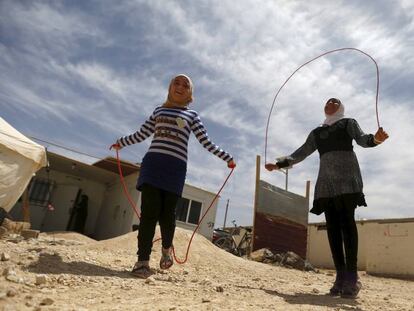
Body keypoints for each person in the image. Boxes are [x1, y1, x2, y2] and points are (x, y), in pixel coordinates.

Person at [111, 74, 236, 278]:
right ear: (169, 88)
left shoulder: (192, 116)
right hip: (152, 165)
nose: (180, 86)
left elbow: (206, 142)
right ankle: (142, 261)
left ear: (190, 93)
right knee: (149, 213)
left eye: (185, 85)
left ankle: (166, 250)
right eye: (176, 83)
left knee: (168, 215)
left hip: (175, 168)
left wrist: (227, 157)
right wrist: (121, 142)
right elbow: (142, 134)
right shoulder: (159, 111)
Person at [265, 98, 389, 298]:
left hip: (348, 179)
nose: (329, 103)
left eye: (334, 101)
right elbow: (302, 152)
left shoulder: (348, 123)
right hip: (326, 183)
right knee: (332, 229)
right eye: (327, 101)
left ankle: (352, 277)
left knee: (347, 224)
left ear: (340, 107)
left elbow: (363, 140)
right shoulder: (317, 133)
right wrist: (278, 165)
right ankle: (340, 278)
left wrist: (376, 139)